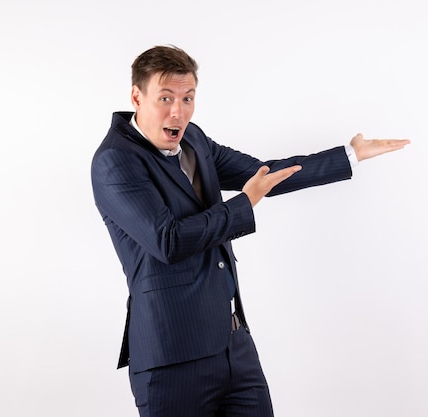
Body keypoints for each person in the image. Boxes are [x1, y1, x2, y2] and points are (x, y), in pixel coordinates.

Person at [91, 44, 410, 417]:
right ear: (136, 97)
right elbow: (169, 240)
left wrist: (348, 155)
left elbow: (263, 174)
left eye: (188, 98)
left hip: (233, 346)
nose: (178, 111)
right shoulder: (115, 161)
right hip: (171, 357)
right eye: (165, 98)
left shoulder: (193, 139)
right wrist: (244, 204)